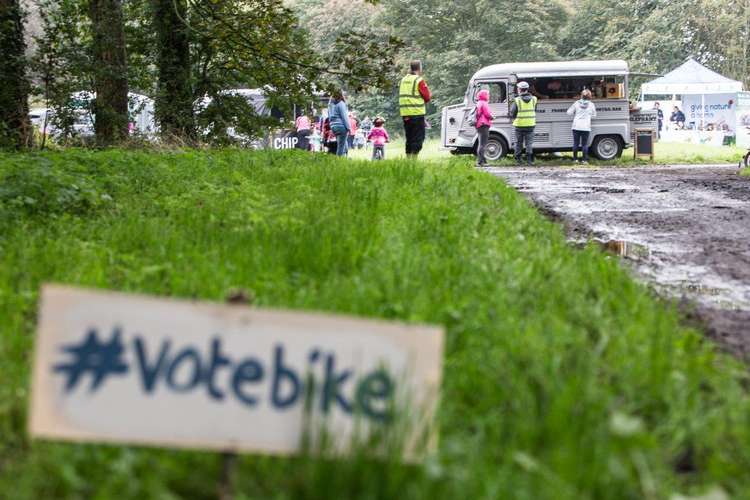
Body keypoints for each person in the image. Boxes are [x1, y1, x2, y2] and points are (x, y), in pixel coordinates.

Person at [399, 59, 432, 157]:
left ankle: (408, 159)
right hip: (417, 113)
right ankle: (414, 160)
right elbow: (427, 97)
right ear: (419, 67)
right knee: (418, 138)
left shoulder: (404, 79)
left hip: (405, 113)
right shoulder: (418, 80)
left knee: (409, 138)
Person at [509, 81, 537, 166]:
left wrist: (512, 117)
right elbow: (534, 110)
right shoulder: (534, 99)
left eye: (518, 88)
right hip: (530, 124)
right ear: (527, 89)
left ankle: (519, 161)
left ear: (520, 90)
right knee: (529, 143)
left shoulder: (517, 100)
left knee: (518, 143)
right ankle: (529, 161)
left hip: (519, 125)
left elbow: (513, 113)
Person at [567, 89, 597, 164]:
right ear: (590, 96)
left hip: (576, 126)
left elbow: (568, 113)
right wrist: (589, 116)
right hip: (586, 127)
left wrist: (575, 113)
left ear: (581, 95)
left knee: (576, 143)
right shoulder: (591, 105)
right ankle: (584, 160)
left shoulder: (576, 103)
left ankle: (575, 159)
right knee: (584, 144)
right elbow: (594, 116)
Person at [474, 88, 494, 167]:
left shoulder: (479, 102)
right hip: (484, 124)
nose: (488, 96)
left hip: (479, 125)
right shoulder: (484, 103)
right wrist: (492, 117)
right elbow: (487, 114)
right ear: (484, 95)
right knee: (483, 144)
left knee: (481, 143)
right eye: (487, 94)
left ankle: (483, 161)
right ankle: (480, 162)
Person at [328, 90, 351, 157]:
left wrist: (331, 126)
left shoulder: (330, 104)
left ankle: (345, 156)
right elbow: (344, 117)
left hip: (333, 126)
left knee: (342, 143)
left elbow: (329, 116)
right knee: (341, 146)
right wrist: (348, 127)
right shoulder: (341, 103)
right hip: (341, 126)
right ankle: (339, 160)